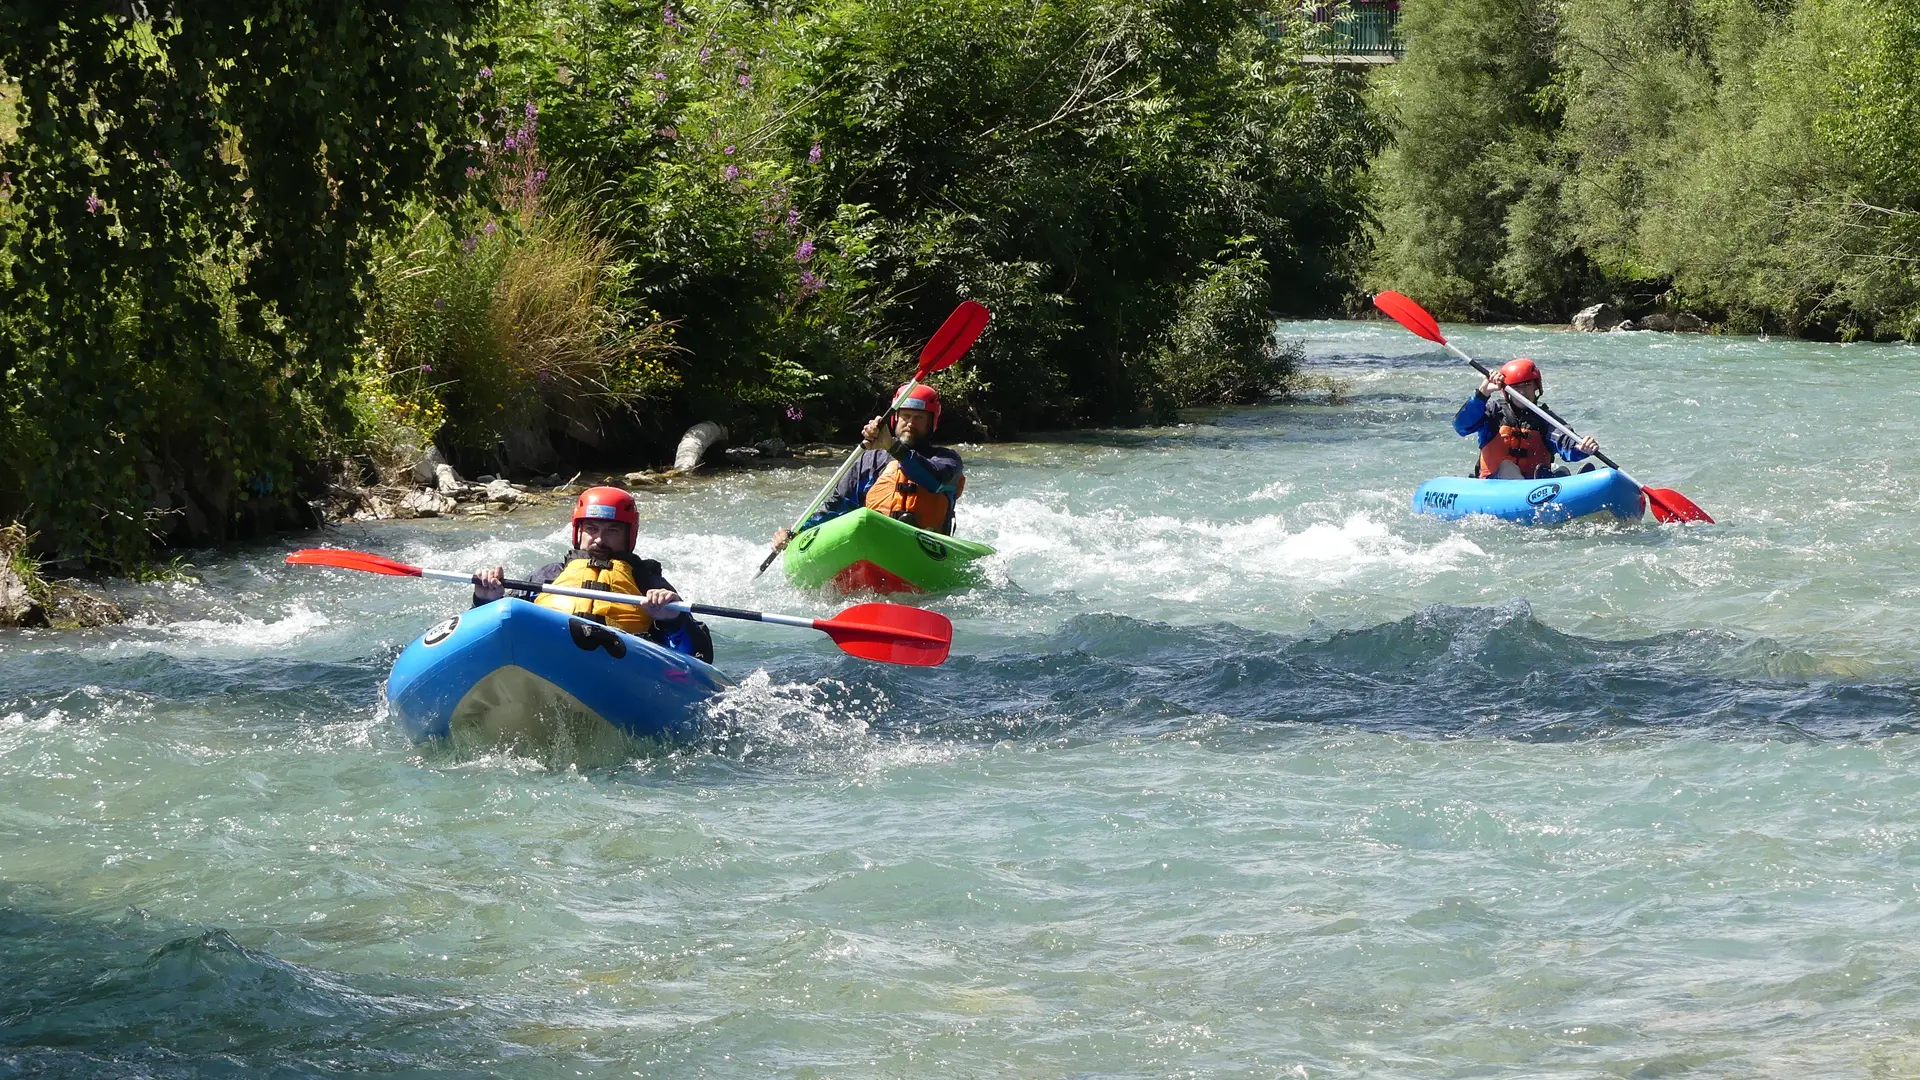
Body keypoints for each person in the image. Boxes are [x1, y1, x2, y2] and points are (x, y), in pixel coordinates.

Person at [472, 486, 714, 662]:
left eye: (612, 530)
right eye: (591, 528)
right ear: (578, 531)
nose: (599, 539)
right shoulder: (546, 575)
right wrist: (485, 601)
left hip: (623, 665)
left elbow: (699, 656)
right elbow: (491, 636)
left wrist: (672, 620)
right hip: (550, 656)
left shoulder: (648, 582)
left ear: (629, 535)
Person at [770, 384, 965, 550]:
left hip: (927, 547)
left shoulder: (947, 460)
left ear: (932, 422)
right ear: (895, 418)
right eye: (906, 415)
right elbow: (837, 506)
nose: (910, 423)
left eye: (919, 418)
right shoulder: (870, 460)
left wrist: (893, 447)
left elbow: (934, 481)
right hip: (877, 545)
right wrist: (797, 533)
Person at [1454, 357, 1601, 479]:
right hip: (1495, 485)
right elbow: (1461, 426)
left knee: (1561, 472)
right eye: (1516, 387)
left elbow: (1563, 441)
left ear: (1536, 386)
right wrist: (1482, 394)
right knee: (1507, 467)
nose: (1522, 392)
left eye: (1527, 385)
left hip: (1534, 488)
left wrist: (1580, 448)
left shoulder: (1545, 419)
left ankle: (1565, 482)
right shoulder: (1493, 413)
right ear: (1507, 391)